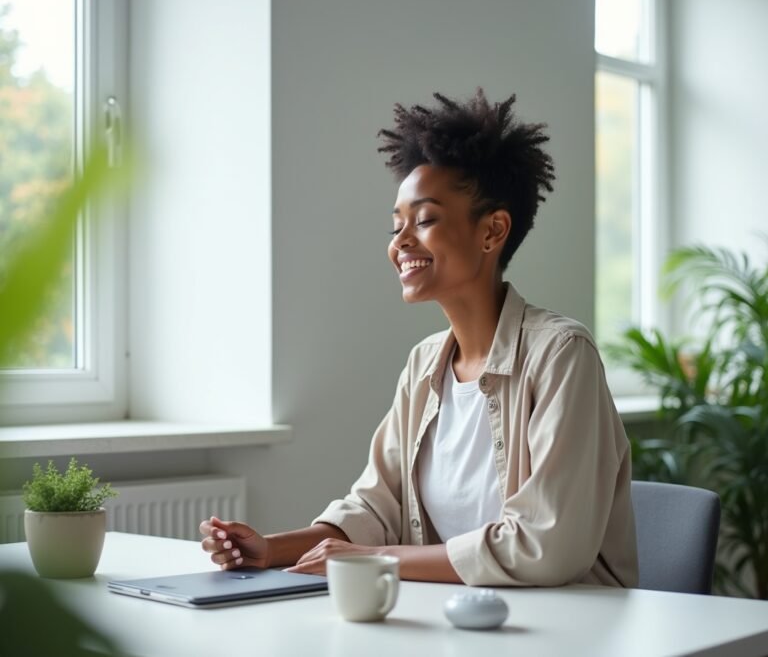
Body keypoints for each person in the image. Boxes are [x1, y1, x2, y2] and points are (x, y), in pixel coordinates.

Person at [200, 89, 638, 588]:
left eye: (425, 220)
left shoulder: (561, 356)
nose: (400, 242)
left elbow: (544, 546)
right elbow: (375, 505)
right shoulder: (425, 364)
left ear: (493, 231)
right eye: (396, 226)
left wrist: (374, 557)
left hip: (569, 632)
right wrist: (271, 549)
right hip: (457, 627)